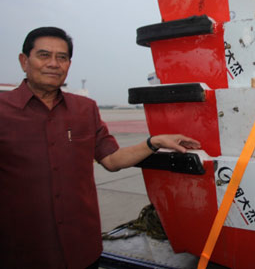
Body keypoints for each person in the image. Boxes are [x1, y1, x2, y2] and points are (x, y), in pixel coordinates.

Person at [0, 27, 201, 268]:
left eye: (62, 57)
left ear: (68, 65)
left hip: (82, 249)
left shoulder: (85, 109)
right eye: (44, 55)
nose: (53, 64)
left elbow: (112, 160)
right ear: (24, 61)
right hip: (22, 252)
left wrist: (154, 142)